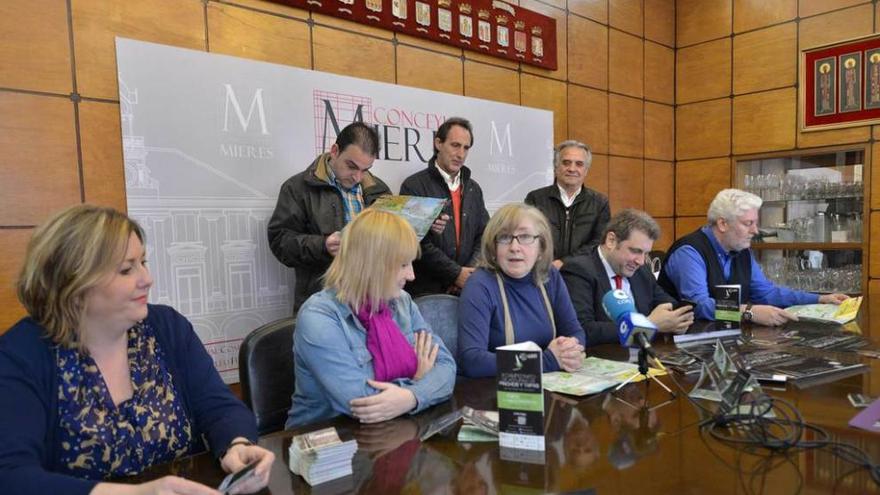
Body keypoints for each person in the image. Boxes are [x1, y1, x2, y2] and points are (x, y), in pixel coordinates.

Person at [0, 205, 274, 495]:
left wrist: (237, 445)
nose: (147, 278)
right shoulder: (22, 354)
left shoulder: (167, 327)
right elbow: (11, 476)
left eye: (143, 262)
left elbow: (219, 408)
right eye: (127, 269)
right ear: (74, 283)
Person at [286, 209, 456, 428]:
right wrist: (418, 378)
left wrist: (411, 397)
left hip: (391, 430)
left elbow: (447, 368)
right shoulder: (319, 317)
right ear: (371, 264)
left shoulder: (402, 301)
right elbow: (362, 402)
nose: (412, 275)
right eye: (403, 265)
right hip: (328, 441)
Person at [659, 189, 848, 326]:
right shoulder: (689, 252)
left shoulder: (742, 251)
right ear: (723, 224)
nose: (755, 231)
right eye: (748, 223)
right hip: (683, 347)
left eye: (755, 223)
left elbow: (766, 293)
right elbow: (700, 306)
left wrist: (819, 299)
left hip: (725, 339)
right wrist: (749, 313)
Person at [268, 122, 392, 313]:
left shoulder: (379, 189)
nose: (357, 177)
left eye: (365, 169)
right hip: (323, 304)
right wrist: (323, 245)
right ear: (335, 151)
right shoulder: (298, 188)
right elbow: (280, 242)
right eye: (351, 166)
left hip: (373, 301)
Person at [458, 203, 586, 378]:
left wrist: (570, 350)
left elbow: (575, 332)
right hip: (495, 394)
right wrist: (546, 361)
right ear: (493, 248)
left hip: (547, 386)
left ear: (541, 247)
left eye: (525, 237)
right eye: (504, 237)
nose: (514, 247)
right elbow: (472, 361)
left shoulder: (550, 276)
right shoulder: (480, 285)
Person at [561, 209, 693, 344]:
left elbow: (667, 302)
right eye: (636, 251)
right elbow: (584, 330)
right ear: (611, 240)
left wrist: (678, 321)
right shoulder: (578, 270)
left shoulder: (641, 270)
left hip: (642, 355)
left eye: (646, 253)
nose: (641, 261)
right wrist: (647, 324)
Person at [399, 117, 490, 296]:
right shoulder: (414, 185)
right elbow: (415, 242)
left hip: (465, 289)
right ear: (438, 143)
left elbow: (484, 234)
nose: (461, 154)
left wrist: (467, 274)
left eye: (466, 148)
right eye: (455, 145)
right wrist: (455, 274)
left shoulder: (474, 189)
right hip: (425, 291)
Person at [525, 140, 610, 270]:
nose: (572, 169)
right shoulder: (535, 198)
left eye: (579, 164)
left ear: (586, 170)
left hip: (581, 273)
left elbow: (598, 242)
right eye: (566, 163)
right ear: (555, 167)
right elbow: (528, 236)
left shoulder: (600, 203)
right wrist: (549, 263)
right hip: (542, 271)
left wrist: (566, 262)